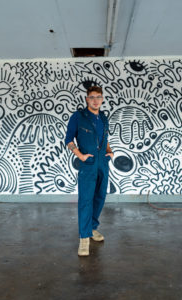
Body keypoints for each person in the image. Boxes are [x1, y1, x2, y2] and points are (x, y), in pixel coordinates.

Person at [65, 86, 113, 256]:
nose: (95, 100)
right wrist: (80, 155)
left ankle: (92, 228)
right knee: (86, 199)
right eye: (92, 97)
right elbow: (68, 139)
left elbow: (105, 138)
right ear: (87, 99)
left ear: (102, 99)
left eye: (98, 97)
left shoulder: (104, 118)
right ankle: (84, 238)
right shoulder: (78, 116)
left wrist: (110, 151)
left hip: (103, 163)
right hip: (88, 163)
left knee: (100, 197)